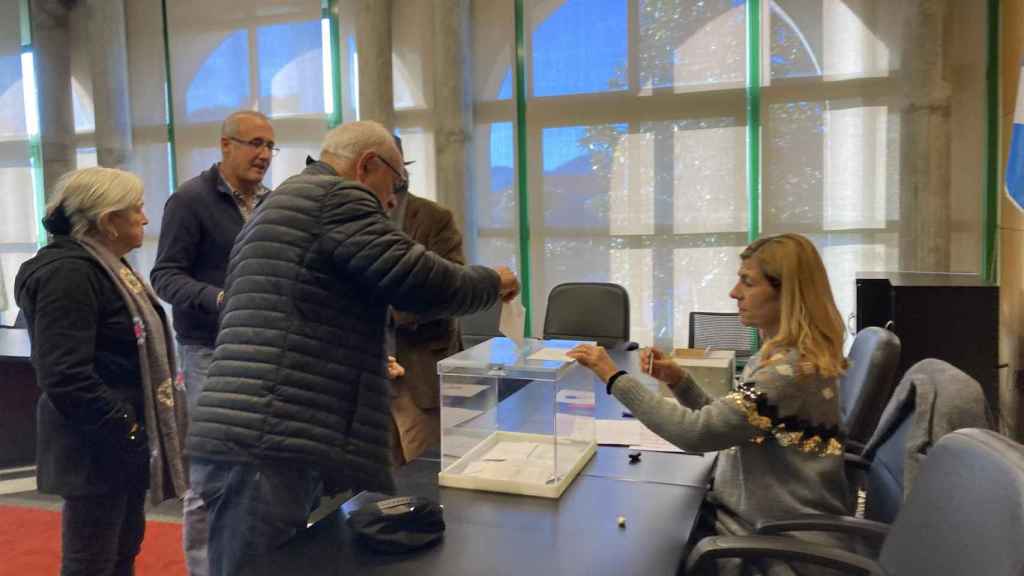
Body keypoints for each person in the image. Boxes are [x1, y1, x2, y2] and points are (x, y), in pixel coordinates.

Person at [186, 120, 519, 575]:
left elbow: (296, 313)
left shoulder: (285, 200)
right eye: (394, 183)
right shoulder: (336, 198)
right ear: (367, 165)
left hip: (257, 430)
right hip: (267, 436)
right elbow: (420, 282)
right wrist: (493, 281)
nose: (392, 200)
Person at [568, 233, 850, 576]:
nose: (734, 293)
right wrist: (679, 380)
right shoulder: (785, 357)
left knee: (634, 551)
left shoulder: (788, 372)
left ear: (787, 293)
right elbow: (730, 424)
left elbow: (696, 434)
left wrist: (613, 376)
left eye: (748, 282)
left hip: (778, 545)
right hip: (764, 521)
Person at [14, 167, 188, 576]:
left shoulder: (105, 266)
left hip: (117, 442)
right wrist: (128, 428)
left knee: (121, 552)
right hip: (94, 443)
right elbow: (63, 373)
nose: (145, 218)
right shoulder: (69, 273)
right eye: (137, 209)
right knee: (91, 563)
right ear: (108, 220)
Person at [150, 109, 275, 576]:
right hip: (209, 351)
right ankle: (203, 569)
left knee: (258, 471)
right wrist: (218, 298)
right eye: (255, 143)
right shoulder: (189, 200)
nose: (264, 154)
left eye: (270, 146)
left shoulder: (273, 203)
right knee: (212, 471)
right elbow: (165, 276)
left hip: (263, 352)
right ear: (226, 145)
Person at [387, 134, 466, 464]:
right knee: (377, 483)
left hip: (419, 369)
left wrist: (383, 313)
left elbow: (449, 292)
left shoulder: (434, 219)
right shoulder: (350, 219)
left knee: (425, 474)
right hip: (366, 377)